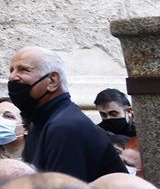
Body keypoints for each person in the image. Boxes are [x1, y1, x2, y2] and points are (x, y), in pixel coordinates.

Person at [10, 46, 127, 182]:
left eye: (24, 70)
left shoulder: (66, 126)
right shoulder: (40, 121)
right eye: (11, 70)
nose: (12, 77)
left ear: (52, 81)